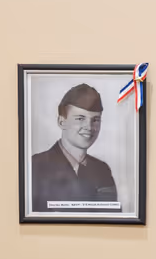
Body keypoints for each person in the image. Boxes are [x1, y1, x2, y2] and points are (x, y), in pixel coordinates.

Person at [30, 82, 120, 210]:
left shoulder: (102, 170)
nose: (89, 127)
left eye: (95, 120)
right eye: (80, 118)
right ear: (62, 122)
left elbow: (110, 217)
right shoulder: (35, 166)